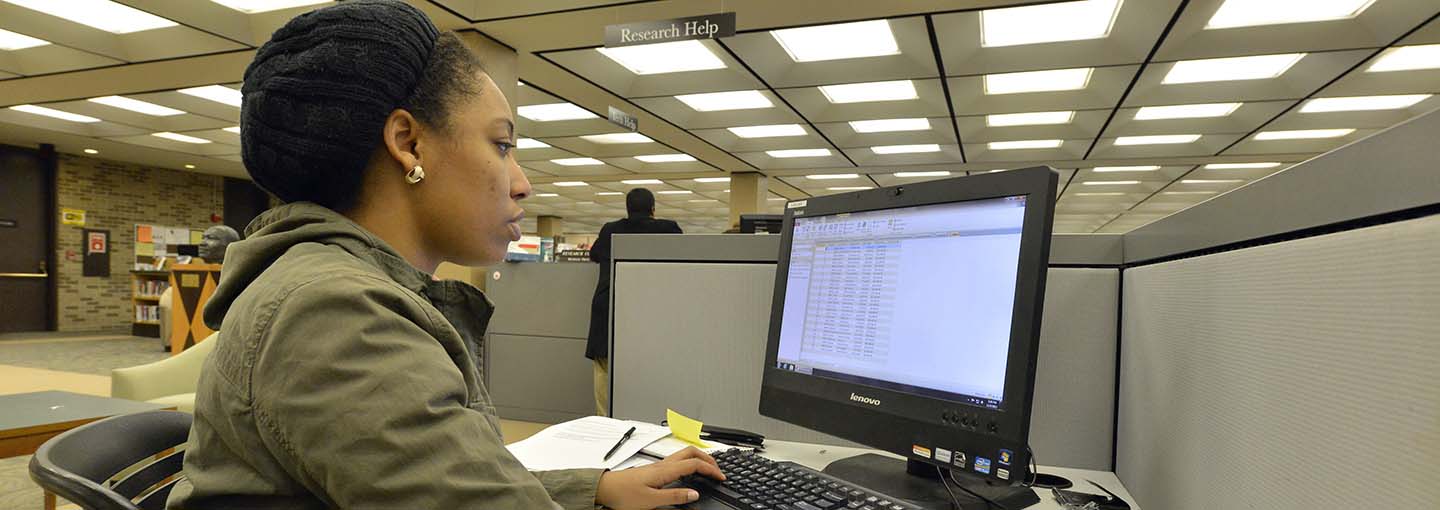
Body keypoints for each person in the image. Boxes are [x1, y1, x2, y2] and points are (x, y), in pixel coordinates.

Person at [168, 2, 722, 509]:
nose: (522, 183)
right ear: (409, 143)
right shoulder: (335, 313)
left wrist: (592, 487)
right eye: (502, 145)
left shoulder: (334, 287)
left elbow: (451, 479)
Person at [586, 189, 683, 415]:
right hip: (649, 309)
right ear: (653, 209)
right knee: (648, 368)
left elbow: (594, 255)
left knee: (604, 370)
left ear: (627, 210)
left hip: (608, 307)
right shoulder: (668, 229)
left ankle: (605, 422)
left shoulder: (610, 229)